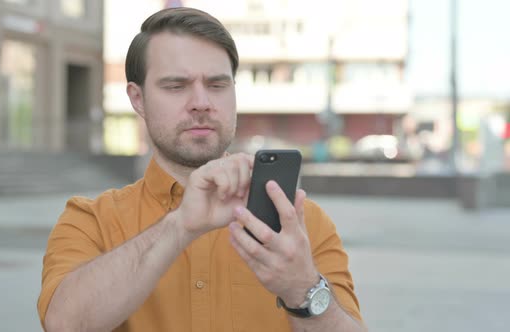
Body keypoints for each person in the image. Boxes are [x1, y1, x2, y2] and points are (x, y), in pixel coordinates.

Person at [38, 7, 366, 332]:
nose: (201, 102)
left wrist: (302, 289)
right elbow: (63, 324)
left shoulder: (303, 224)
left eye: (217, 84)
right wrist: (180, 226)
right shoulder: (90, 221)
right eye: (176, 85)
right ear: (137, 99)